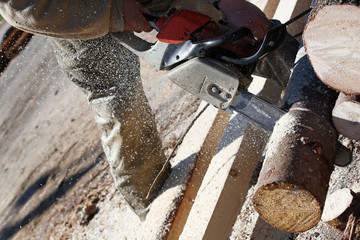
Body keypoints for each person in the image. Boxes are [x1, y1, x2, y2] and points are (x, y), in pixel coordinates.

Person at [0, 0, 298, 220]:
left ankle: (309, 82)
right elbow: (23, 5)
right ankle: (156, 207)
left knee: (226, 30)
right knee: (118, 103)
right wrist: (112, 12)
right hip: (73, 10)